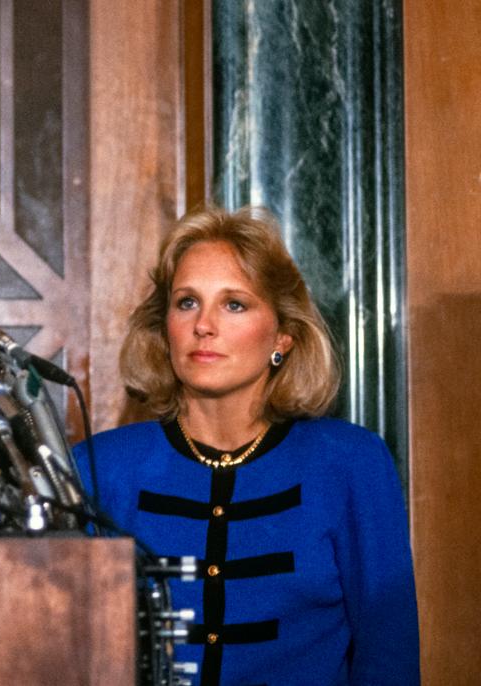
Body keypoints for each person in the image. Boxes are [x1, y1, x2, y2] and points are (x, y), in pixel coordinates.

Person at [74, 207, 419, 685]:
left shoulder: (350, 463)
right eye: (187, 302)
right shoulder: (98, 467)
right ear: (165, 327)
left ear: (283, 336)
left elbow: (389, 658)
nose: (204, 325)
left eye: (234, 304)